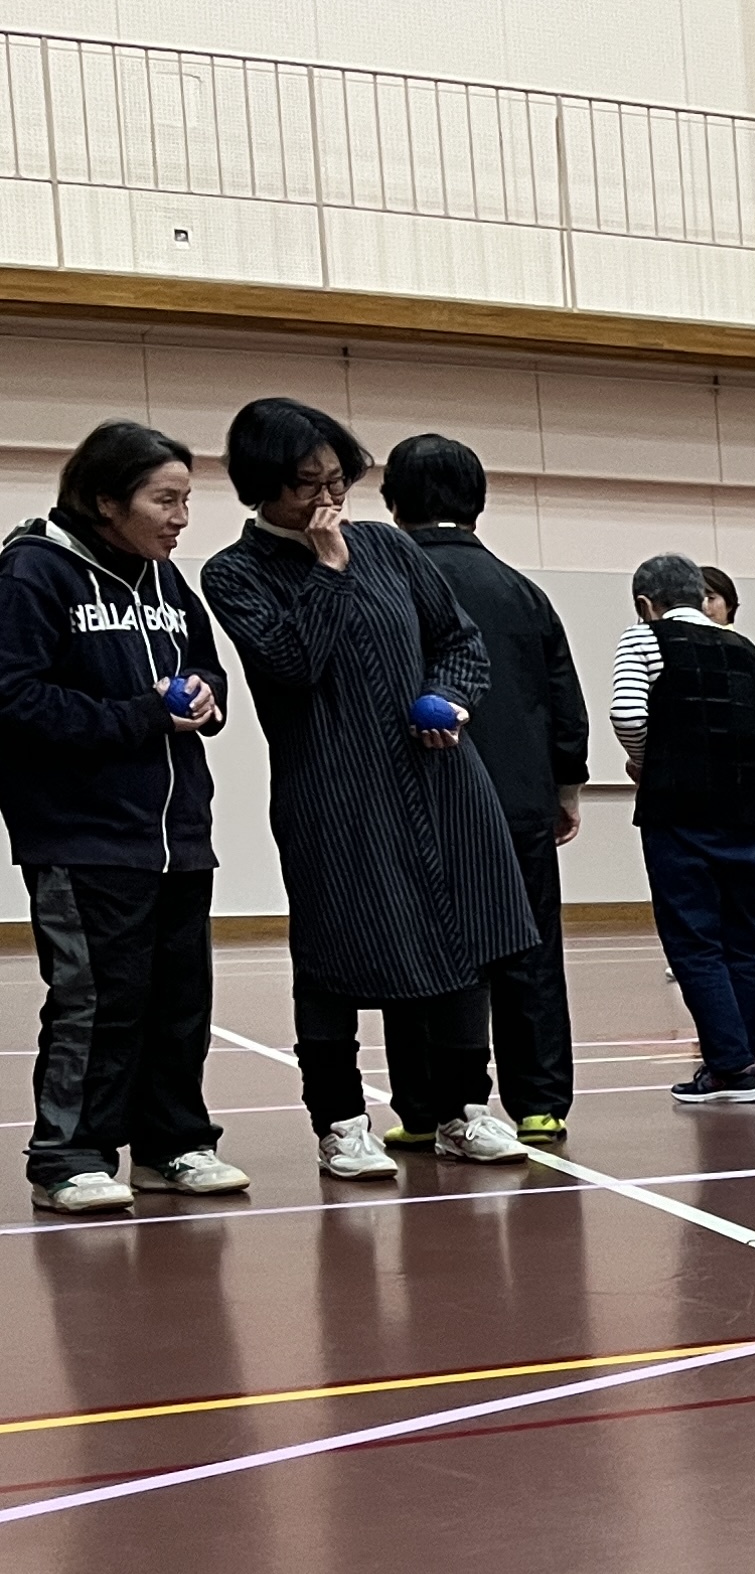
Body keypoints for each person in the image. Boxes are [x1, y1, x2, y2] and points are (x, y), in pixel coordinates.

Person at [200, 397, 535, 1176]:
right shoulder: (235, 572)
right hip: (335, 793)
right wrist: (327, 571)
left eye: (337, 481)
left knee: (464, 934)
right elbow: (292, 663)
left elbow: (459, 641)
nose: (327, 499)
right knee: (334, 951)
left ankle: (464, 1110)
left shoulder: (389, 545)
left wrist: (449, 698)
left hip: (441, 777)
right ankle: (340, 1121)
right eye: (306, 485)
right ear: (261, 486)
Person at [1, 423, 243, 1213]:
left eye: (186, 500)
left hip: (179, 837)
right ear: (106, 500)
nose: (181, 518)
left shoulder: (167, 581)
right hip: (84, 836)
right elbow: (16, 700)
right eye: (165, 500)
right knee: (98, 1001)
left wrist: (205, 696)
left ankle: (173, 1145)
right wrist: (142, 715)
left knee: (180, 1003)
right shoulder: (33, 572)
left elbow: (203, 666)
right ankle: (68, 1156)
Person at [384, 435, 591, 1140]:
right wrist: (565, 787)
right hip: (518, 801)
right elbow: (562, 697)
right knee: (529, 952)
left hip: (420, 800)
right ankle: (539, 1102)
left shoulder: (387, 583)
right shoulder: (522, 592)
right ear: (478, 501)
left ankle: (427, 1109)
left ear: (393, 501)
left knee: (423, 952)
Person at [618, 553, 755, 1103]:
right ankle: (742, 1065)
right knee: (743, 943)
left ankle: (728, 1069)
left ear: (646, 604)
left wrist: (647, 763)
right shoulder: (747, 650)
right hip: (750, 818)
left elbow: (627, 713)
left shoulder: (644, 639)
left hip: (679, 812)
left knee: (694, 942)